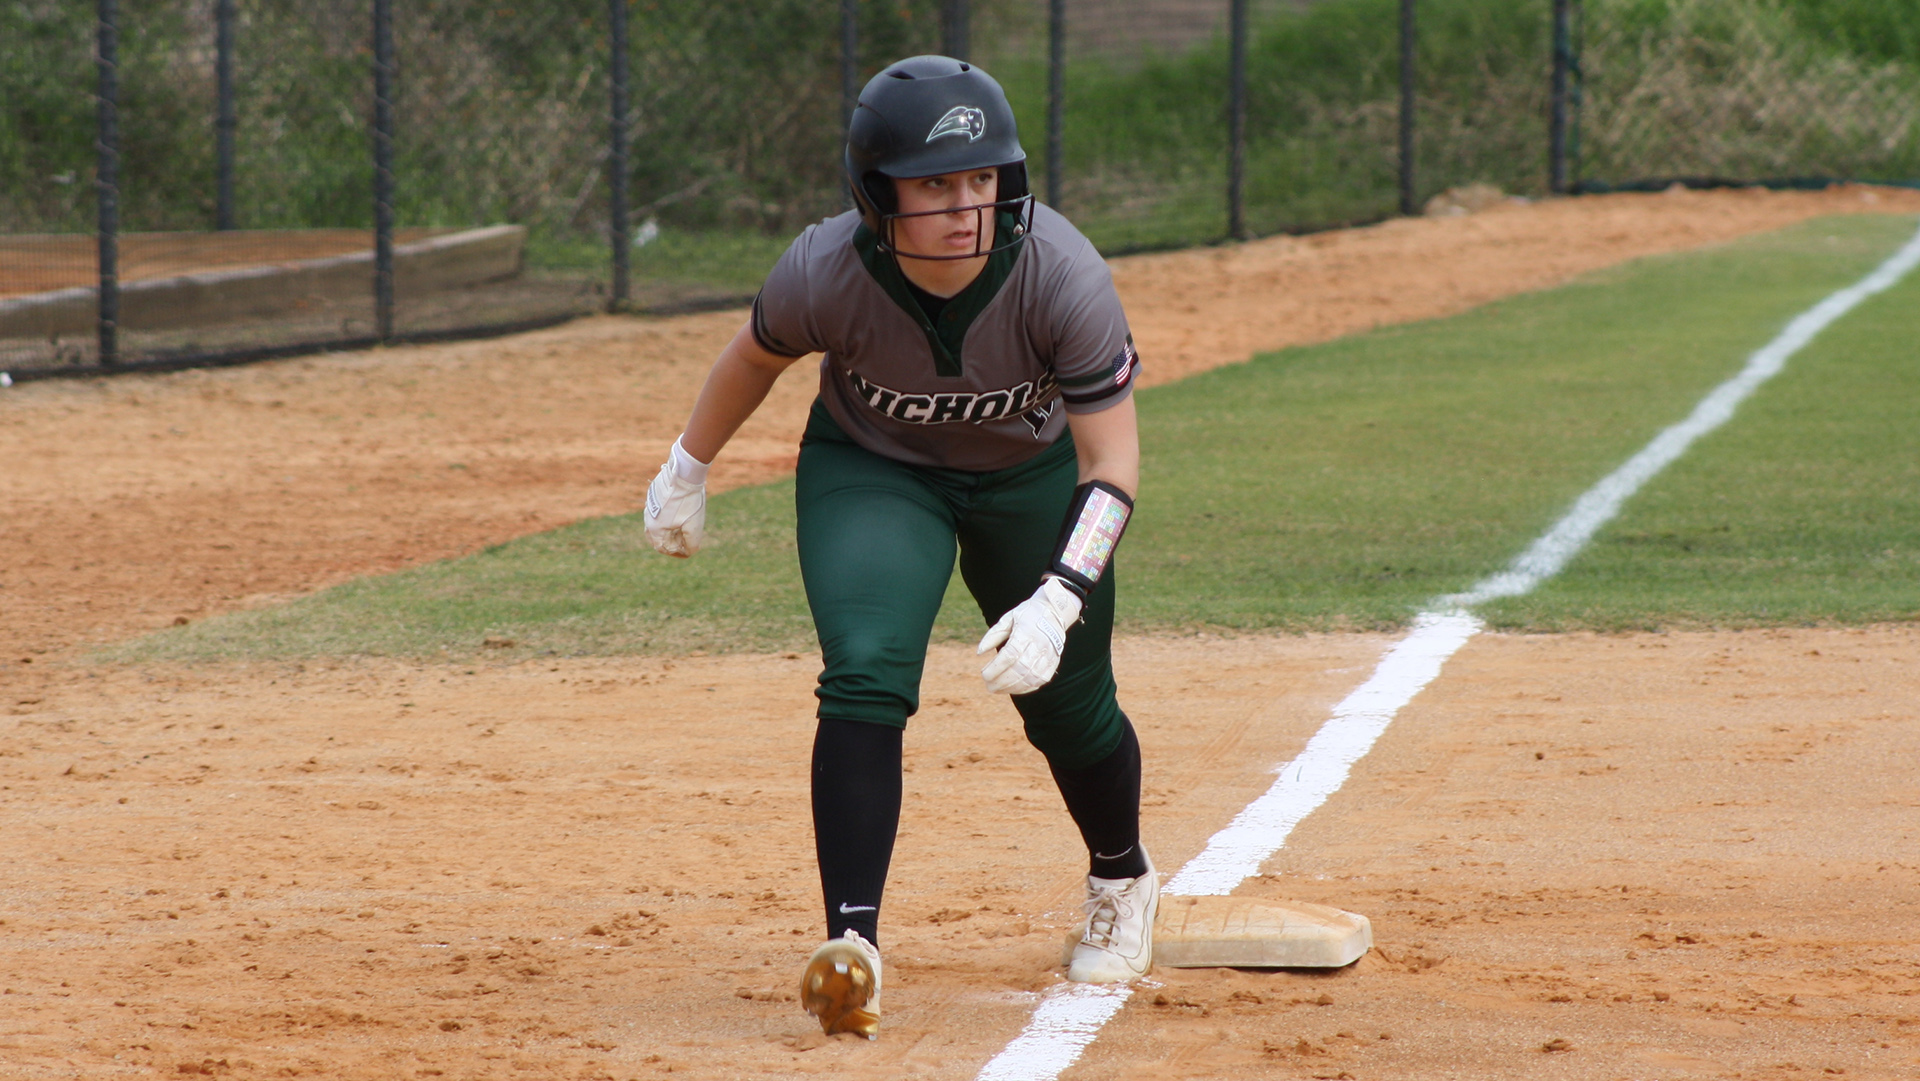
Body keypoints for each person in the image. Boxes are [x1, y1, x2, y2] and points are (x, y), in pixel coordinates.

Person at [642, 55, 1154, 1041]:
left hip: (1034, 477)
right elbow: (757, 354)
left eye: (983, 178)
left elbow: (1112, 464)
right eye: (934, 184)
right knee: (867, 669)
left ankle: (1123, 879)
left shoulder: (1063, 274)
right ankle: (853, 942)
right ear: (876, 197)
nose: (968, 206)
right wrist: (687, 463)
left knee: (1069, 705)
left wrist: (1059, 596)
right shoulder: (825, 267)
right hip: (876, 468)